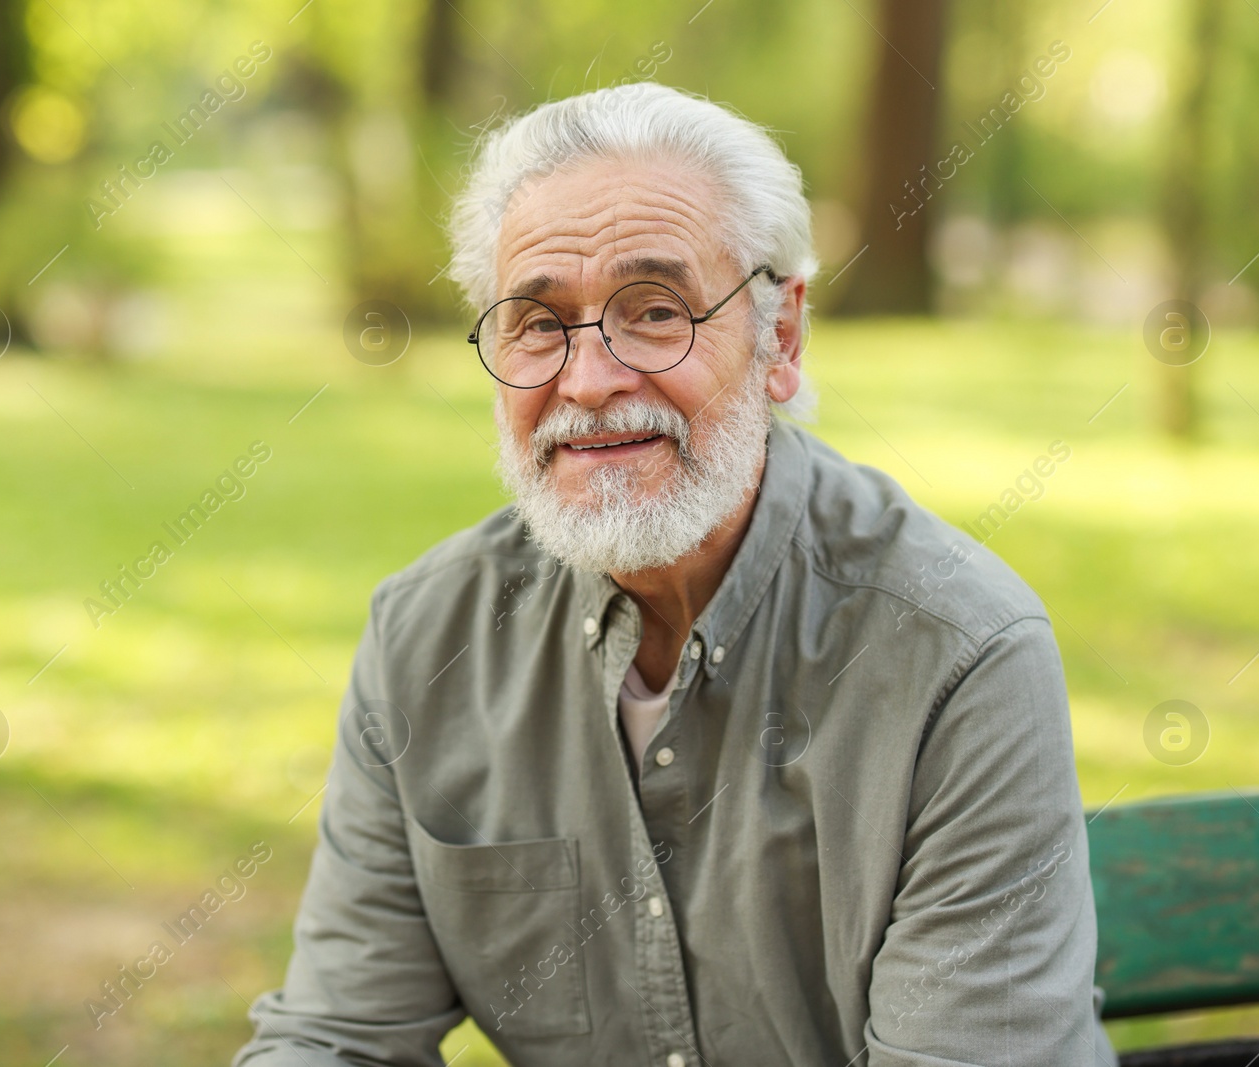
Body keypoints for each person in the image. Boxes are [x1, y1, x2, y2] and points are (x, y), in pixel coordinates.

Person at [235, 82, 1117, 1067]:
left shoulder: (958, 655)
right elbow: (337, 1035)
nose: (587, 380)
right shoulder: (425, 640)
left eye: (653, 312)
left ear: (778, 336)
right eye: (535, 322)